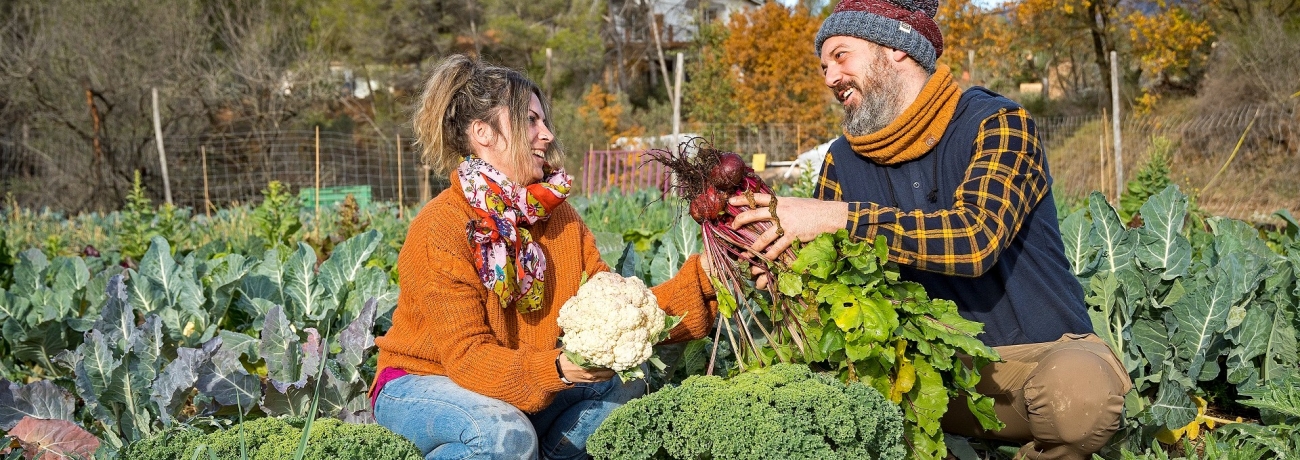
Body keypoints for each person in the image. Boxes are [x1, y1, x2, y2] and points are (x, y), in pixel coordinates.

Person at [729, 1, 1132, 458]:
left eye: (840, 56)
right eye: (823, 66)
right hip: (923, 377)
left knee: (1080, 396)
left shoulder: (998, 124)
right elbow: (830, 283)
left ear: (896, 48)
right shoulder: (841, 161)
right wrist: (782, 272)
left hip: (1034, 364)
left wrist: (837, 218)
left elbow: (975, 239)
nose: (829, 78)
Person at [371, 54, 718, 460]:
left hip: (517, 382)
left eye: (544, 121)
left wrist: (706, 278)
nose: (547, 134)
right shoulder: (442, 225)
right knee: (504, 435)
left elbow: (617, 308)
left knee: (625, 383)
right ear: (483, 133)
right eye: (530, 121)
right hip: (423, 380)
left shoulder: (559, 217)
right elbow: (467, 359)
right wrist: (557, 370)